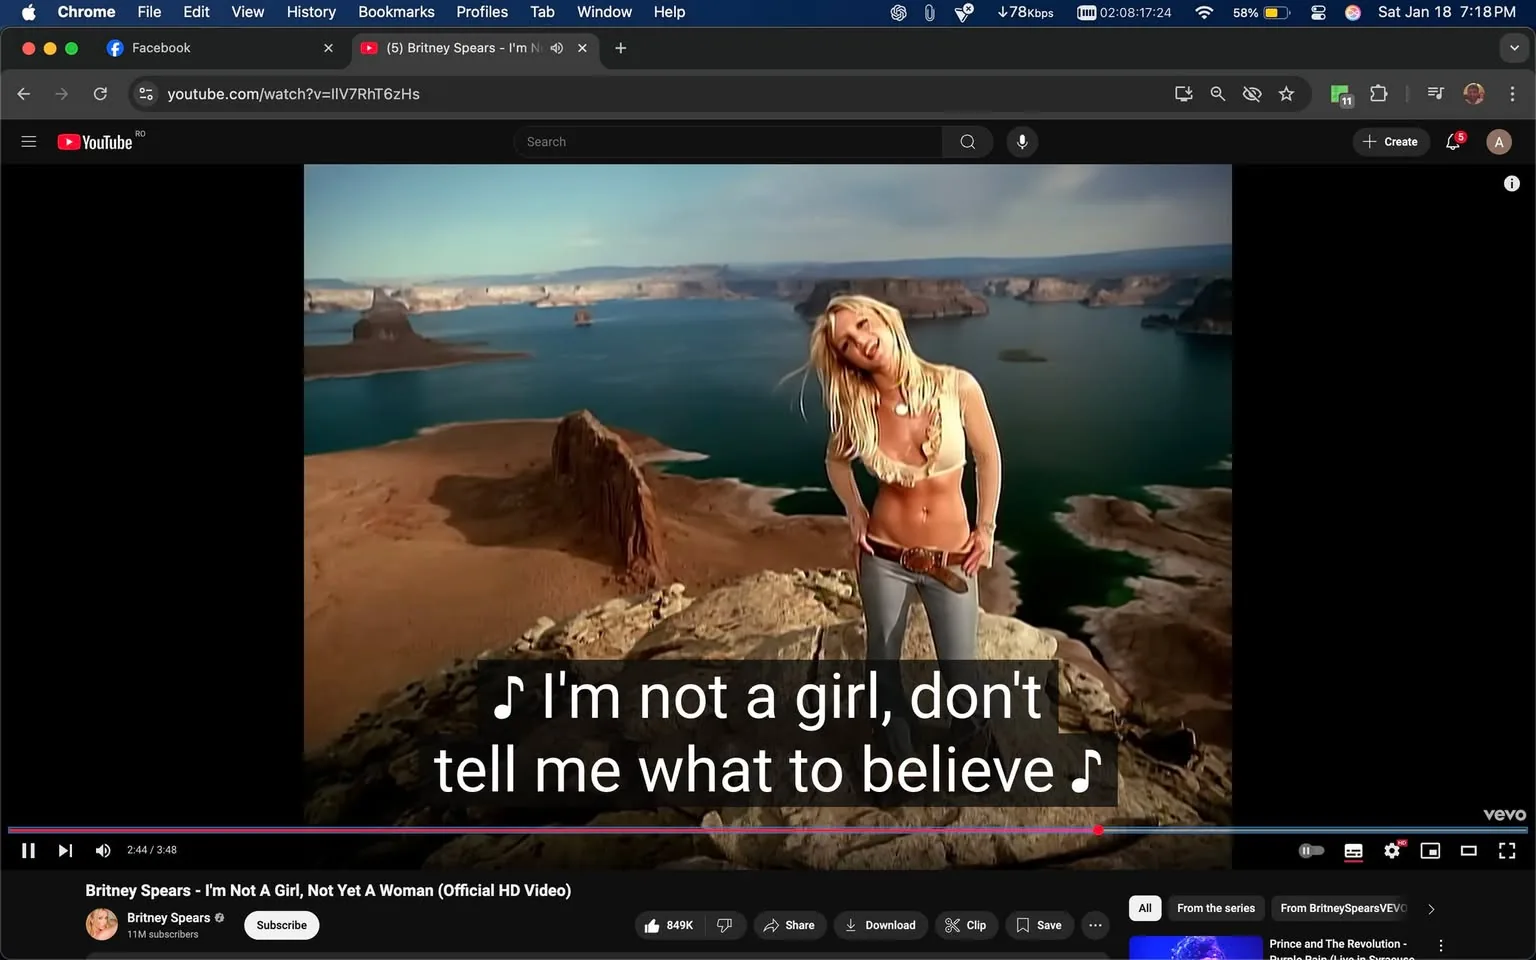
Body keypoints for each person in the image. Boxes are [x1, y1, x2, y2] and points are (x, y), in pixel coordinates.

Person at [792, 293, 1001, 757]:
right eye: (847, 343)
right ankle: (894, 756)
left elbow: (988, 457)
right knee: (882, 663)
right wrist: (855, 511)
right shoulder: (858, 407)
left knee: (960, 669)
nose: (861, 342)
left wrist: (985, 529)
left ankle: (973, 752)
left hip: (951, 558)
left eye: (865, 325)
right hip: (883, 557)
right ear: (844, 358)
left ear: (886, 319)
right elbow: (835, 463)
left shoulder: (956, 385)